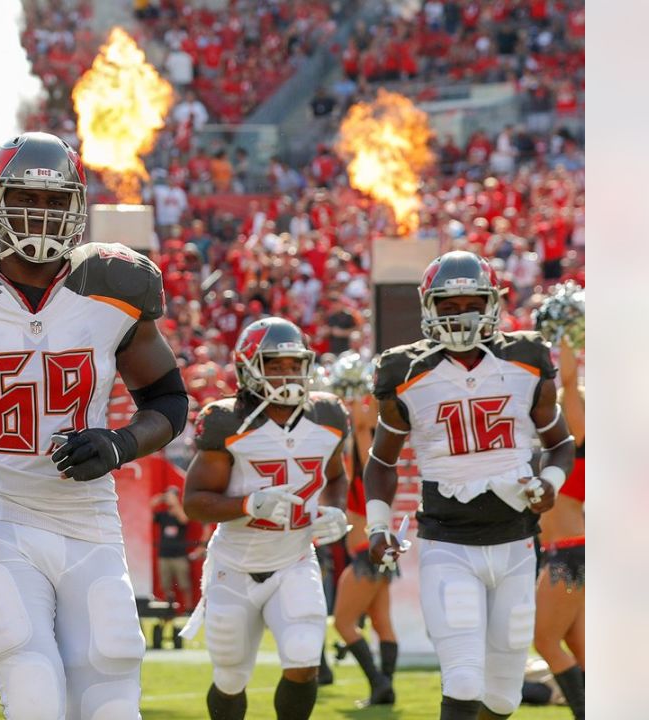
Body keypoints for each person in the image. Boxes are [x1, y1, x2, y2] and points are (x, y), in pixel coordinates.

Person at [0, 131, 189, 719]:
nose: (39, 215)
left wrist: (119, 443)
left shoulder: (114, 286)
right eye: (24, 198)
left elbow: (169, 400)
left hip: (86, 517)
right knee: (33, 689)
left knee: (113, 691)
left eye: (53, 201)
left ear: (76, 207)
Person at [364, 251, 575, 720]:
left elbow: (561, 443)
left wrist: (550, 481)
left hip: (517, 544)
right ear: (428, 306)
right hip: (448, 543)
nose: (461, 315)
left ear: (492, 303)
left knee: (503, 697)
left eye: (471, 303)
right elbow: (381, 460)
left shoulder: (526, 359)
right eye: (449, 305)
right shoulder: (405, 370)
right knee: (461, 680)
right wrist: (377, 526)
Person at [181, 317, 351, 720]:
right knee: (230, 675)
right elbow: (194, 501)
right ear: (248, 367)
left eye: (294, 365)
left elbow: (337, 475)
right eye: (275, 365)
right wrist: (246, 505)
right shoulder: (226, 420)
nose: (287, 374)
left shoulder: (328, 414)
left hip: (294, 559)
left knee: (304, 659)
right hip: (234, 565)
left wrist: (336, 508)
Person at [327, 353, 397, 706]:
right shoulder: (369, 447)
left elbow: (366, 455)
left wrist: (360, 420)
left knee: (342, 623)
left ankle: (379, 684)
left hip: (365, 552)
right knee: (382, 621)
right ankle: (385, 689)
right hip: (378, 549)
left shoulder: (368, 454)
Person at [533, 338, 584, 718]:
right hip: (570, 550)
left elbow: (568, 378)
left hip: (570, 552)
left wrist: (565, 334)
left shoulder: (580, 441)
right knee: (576, 641)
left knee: (545, 640)